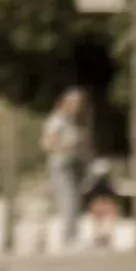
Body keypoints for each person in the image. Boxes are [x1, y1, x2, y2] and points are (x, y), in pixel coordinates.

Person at [40, 89, 89, 251]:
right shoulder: (57, 120)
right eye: (75, 104)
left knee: (74, 199)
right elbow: (48, 143)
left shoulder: (70, 121)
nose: (78, 107)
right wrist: (66, 147)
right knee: (68, 199)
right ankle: (68, 238)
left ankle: (72, 236)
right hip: (61, 165)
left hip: (73, 164)